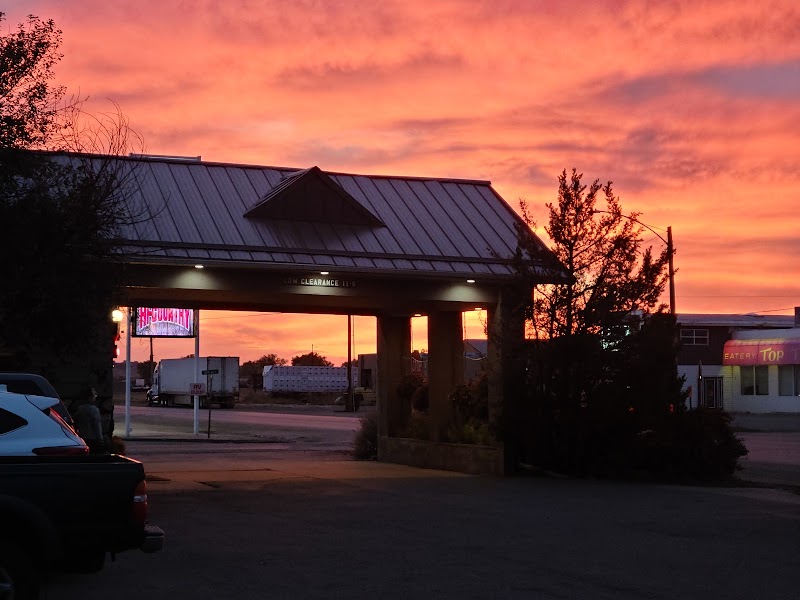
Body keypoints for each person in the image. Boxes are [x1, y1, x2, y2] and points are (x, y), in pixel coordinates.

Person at [72, 387, 107, 453]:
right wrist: (100, 439)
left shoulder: (79, 409)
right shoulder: (94, 410)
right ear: (90, 397)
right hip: (92, 439)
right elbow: (97, 425)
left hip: (82, 437)